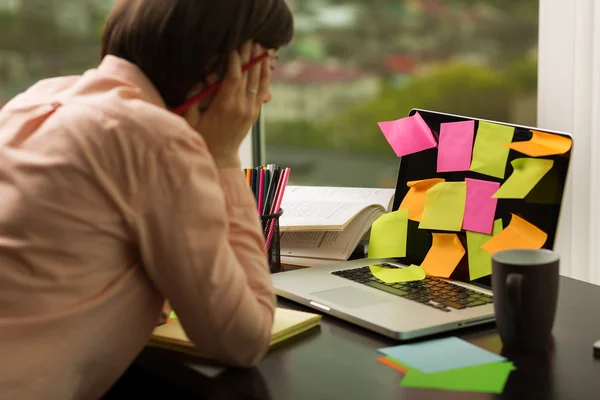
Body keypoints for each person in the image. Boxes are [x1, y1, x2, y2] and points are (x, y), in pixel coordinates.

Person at [0, 0, 294, 398]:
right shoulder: (155, 140)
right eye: (267, 69)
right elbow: (246, 338)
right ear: (225, 69)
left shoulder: (35, 100)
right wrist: (224, 157)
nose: (267, 96)